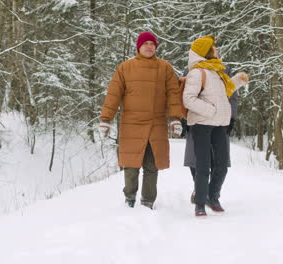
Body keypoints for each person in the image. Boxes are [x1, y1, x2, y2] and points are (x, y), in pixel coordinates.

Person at [98, 32, 183, 210]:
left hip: (156, 124)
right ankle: (129, 198)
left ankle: (147, 202)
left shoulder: (165, 68)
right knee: (131, 165)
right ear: (138, 47)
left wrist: (175, 119)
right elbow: (113, 94)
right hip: (131, 124)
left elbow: (173, 95)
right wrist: (106, 120)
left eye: (152, 44)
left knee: (152, 166)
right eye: (146, 44)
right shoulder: (125, 68)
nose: (149, 46)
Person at [182, 35, 246, 217]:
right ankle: (200, 203)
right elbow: (188, 99)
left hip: (219, 124)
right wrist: (209, 111)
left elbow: (224, 92)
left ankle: (212, 196)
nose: (217, 50)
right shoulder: (196, 72)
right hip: (202, 124)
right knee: (202, 165)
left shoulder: (218, 70)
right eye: (214, 48)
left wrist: (238, 80)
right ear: (206, 51)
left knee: (222, 164)